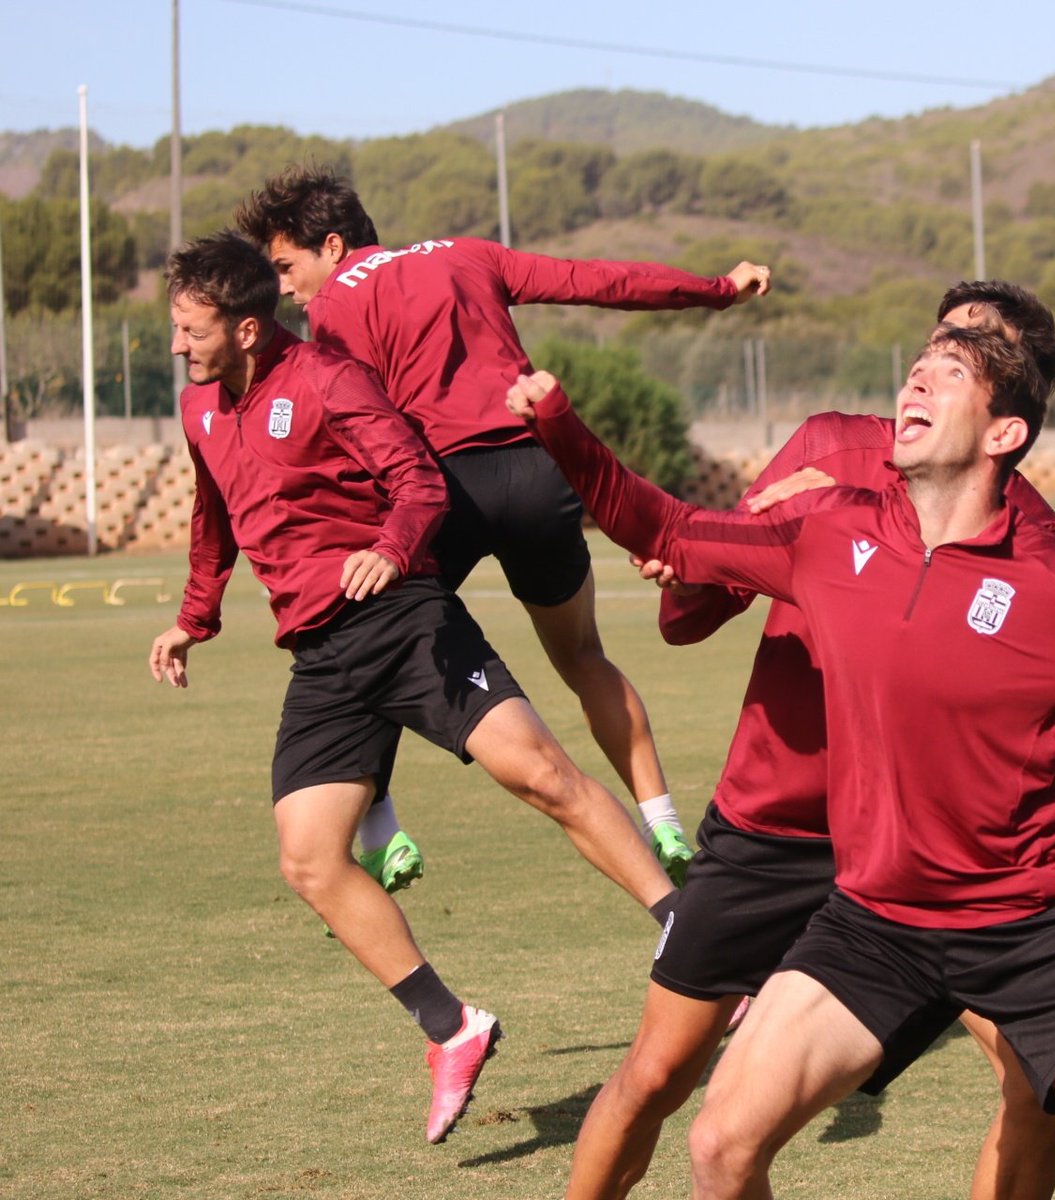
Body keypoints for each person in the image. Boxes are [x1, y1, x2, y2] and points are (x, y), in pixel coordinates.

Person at [505, 325, 1055, 1199]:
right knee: (719, 1145)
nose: (916, 384)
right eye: (916, 368)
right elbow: (667, 529)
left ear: (1005, 433)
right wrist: (560, 424)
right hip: (876, 924)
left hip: (1036, 929)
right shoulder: (830, 534)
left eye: (949, 374)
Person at [148, 230, 676, 1146]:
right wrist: (194, 618)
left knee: (543, 777)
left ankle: (688, 932)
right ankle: (452, 1027)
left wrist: (391, 550)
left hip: (401, 621)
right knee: (309, 858)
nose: (176, 346)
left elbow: (421, 482)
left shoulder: (327, 379)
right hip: (322, 657)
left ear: (244, 328)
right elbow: (212, 520)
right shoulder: (201, 410)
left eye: (190, 330)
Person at [235, 165, 772, 887]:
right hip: (537, 473)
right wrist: (717, 288)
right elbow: (596, 280)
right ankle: (664, 822)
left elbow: (358, 425)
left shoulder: (335, 303)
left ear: (332, 246)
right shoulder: (467, 253)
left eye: (285, 267)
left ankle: (381, 831)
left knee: (369, 635)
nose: (285, 288)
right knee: (582, 655)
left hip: (442, 493)